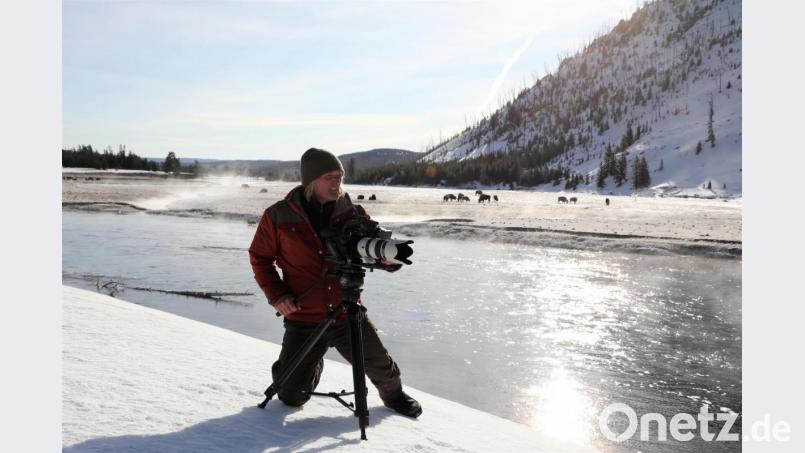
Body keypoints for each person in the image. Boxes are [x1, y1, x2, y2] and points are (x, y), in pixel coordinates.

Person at [248, 147, 422, 418]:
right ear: (311, 180)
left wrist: (389, 261)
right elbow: (260, 258)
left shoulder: (353, 212)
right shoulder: (279, 216)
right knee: (291, 395)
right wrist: (278, 295)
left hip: (346, 311)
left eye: (339, 176)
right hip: (304, 316)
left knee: (380, 366)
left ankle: (394, 396)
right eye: (329, 176)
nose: (336, 182)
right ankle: (298, 367)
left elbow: (369, 251)